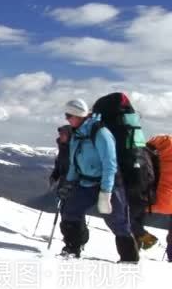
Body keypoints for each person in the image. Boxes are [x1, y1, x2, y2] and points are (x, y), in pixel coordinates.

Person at [57, 98, 139, 262]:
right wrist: (69, 183)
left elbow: (110, 165)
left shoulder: (101, 133)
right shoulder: (77, 134)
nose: (66, 119)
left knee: (118, 222)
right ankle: (72, 249)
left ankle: (129, 260)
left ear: (78, 115)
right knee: (70, 211)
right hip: (85, 183)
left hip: (109, 184)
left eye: (69, 115)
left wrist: (106, 192)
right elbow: (75, 163)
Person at [50, 125, 72, 190]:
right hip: (63, 185)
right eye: (60, 134)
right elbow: (59, 165)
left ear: (70, 135)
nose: (61, 136)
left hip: (73, 187)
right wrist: (54, 176)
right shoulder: (62, 148)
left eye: (63, 134)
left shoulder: (74, 150)